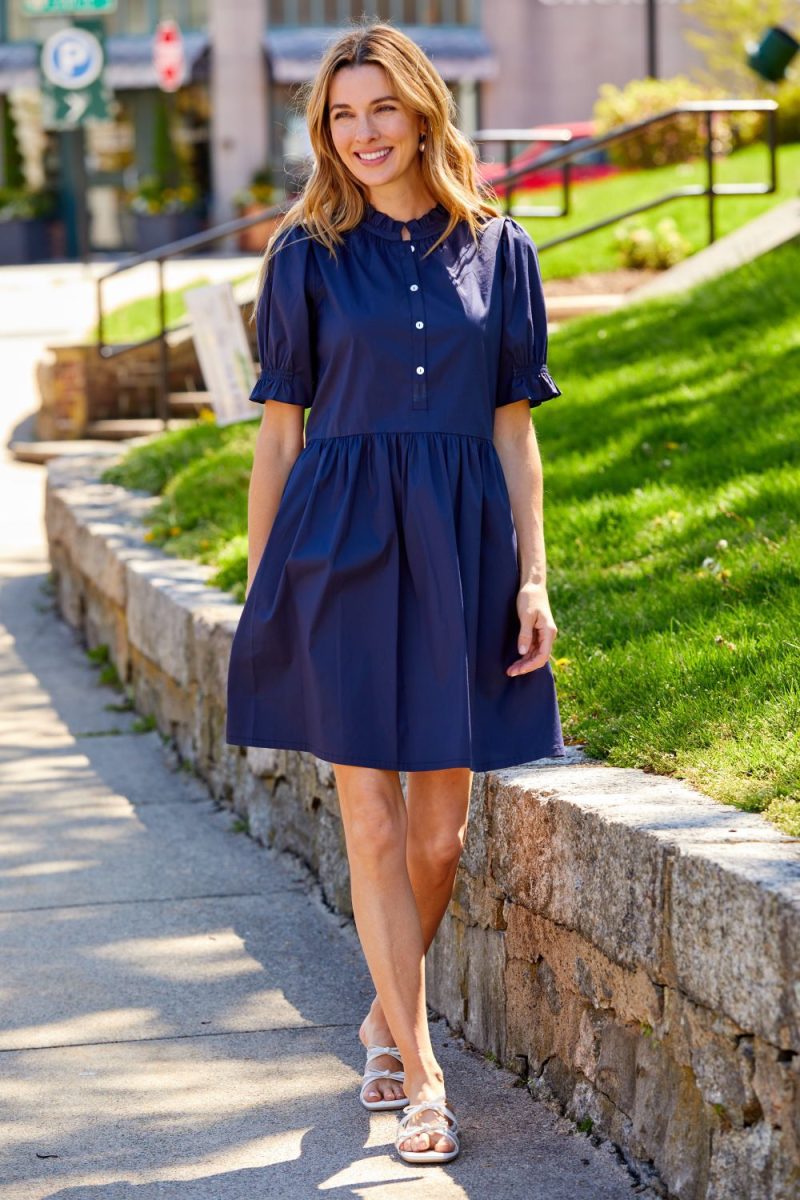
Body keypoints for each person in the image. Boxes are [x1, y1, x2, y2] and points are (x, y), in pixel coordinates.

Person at [226, 19, 566, 1166]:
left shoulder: (501, 247)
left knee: (440, 831)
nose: (360, 133)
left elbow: (514, 432)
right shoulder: (305, 255)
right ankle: (420, 1075)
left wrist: (532, 573)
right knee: (367, 817)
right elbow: (277, 439)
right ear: (323, 131)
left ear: (421, 110)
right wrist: (267, 582)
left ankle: (384, 1007)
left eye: (379, 109)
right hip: (337, 549)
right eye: (339, 115)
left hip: (461, 549)